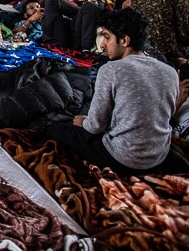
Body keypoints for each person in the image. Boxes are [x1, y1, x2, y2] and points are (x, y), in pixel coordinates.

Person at [45, 9, 179, 174]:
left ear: (124, 40)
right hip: (158, 156)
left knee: (54, 129)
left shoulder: (112, 70)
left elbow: (94, 127)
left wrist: (84, 122)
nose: (102, 45)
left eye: (107, 37)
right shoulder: (170, 71)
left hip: (123, 158)